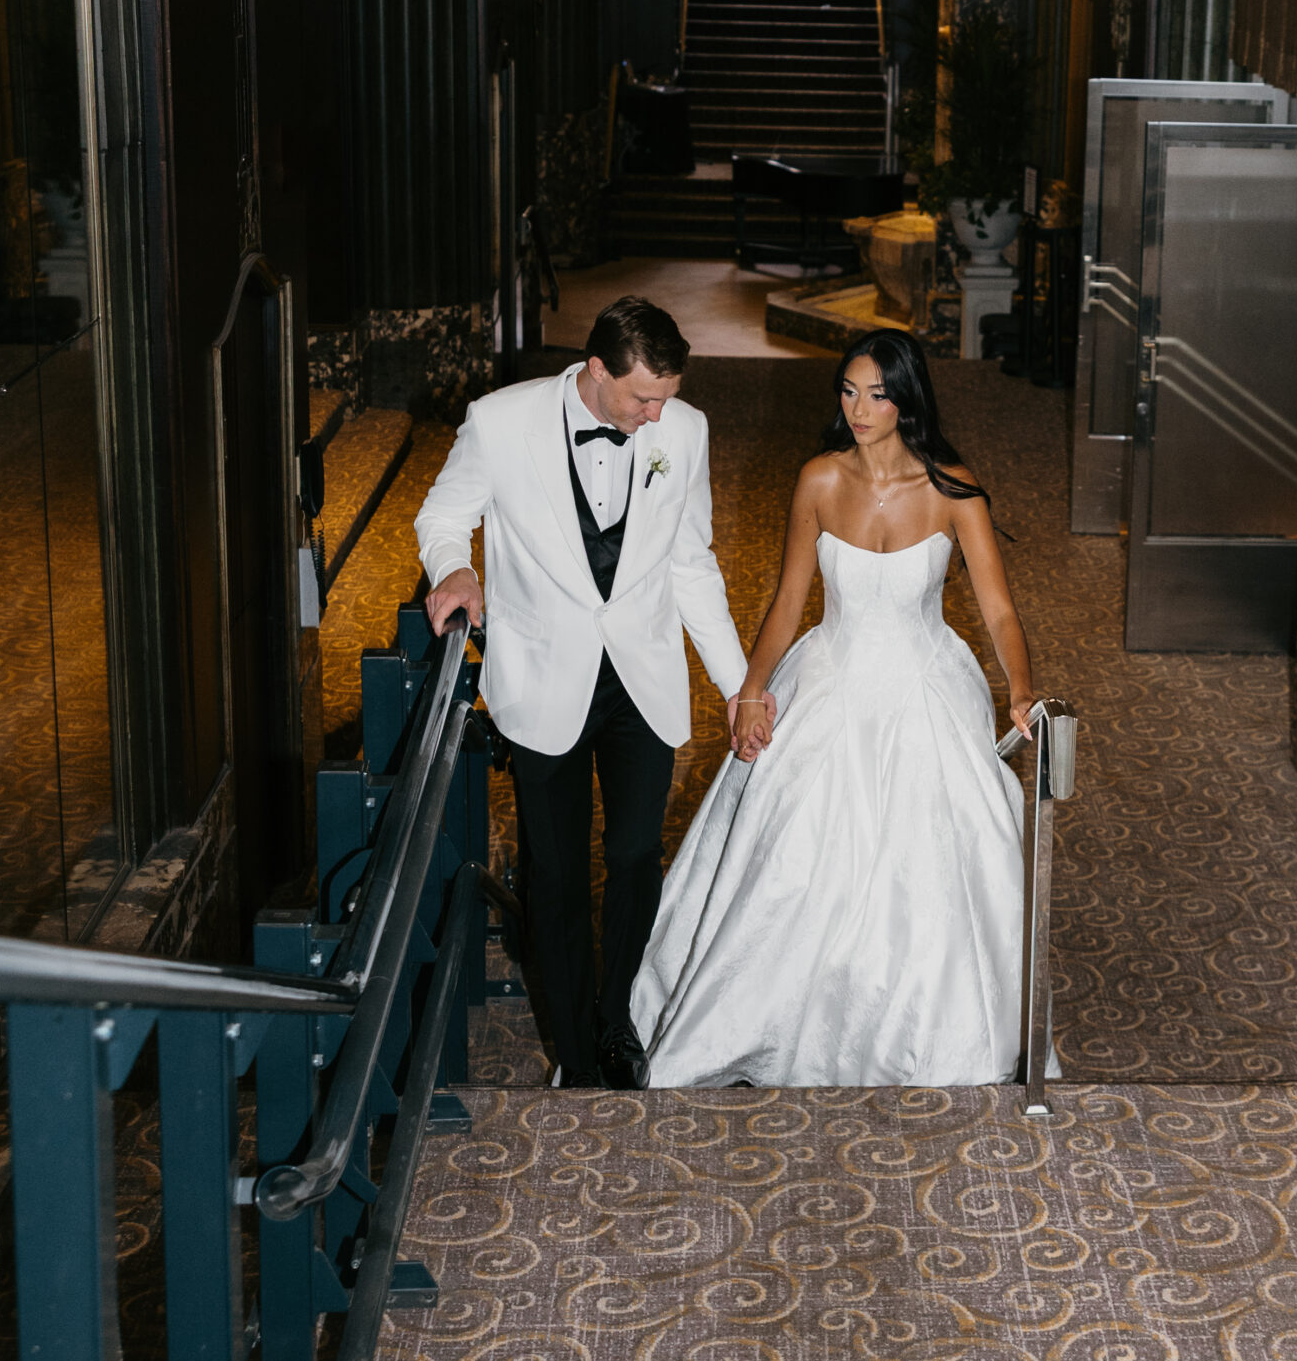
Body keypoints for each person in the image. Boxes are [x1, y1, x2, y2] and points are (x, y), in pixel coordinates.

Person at [631, 330, 1040, 1087]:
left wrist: (1017, 687)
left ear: (906, 399)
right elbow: (789, 599)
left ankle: (931, 1033)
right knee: (792, 858)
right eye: (848, 391)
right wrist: (753, 690)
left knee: (938, 858)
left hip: (924, 685)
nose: (858, 407)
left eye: (877, 394)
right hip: (829, 674)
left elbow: (998, 610)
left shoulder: (953, 488)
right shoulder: (818, 479)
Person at [415, 296, 766, 1090]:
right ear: (596, 369)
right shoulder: (499, 421)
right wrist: (456, 570)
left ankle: (618, 1024)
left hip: (641, 679)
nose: (655, 413)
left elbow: (691, 563)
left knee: (638, 854)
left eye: (666, 398)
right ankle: (575, 1055)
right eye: (642, 398)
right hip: (542, 678)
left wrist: (735, 683)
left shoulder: (684, 429)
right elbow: (442, 515)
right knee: (557, 873)